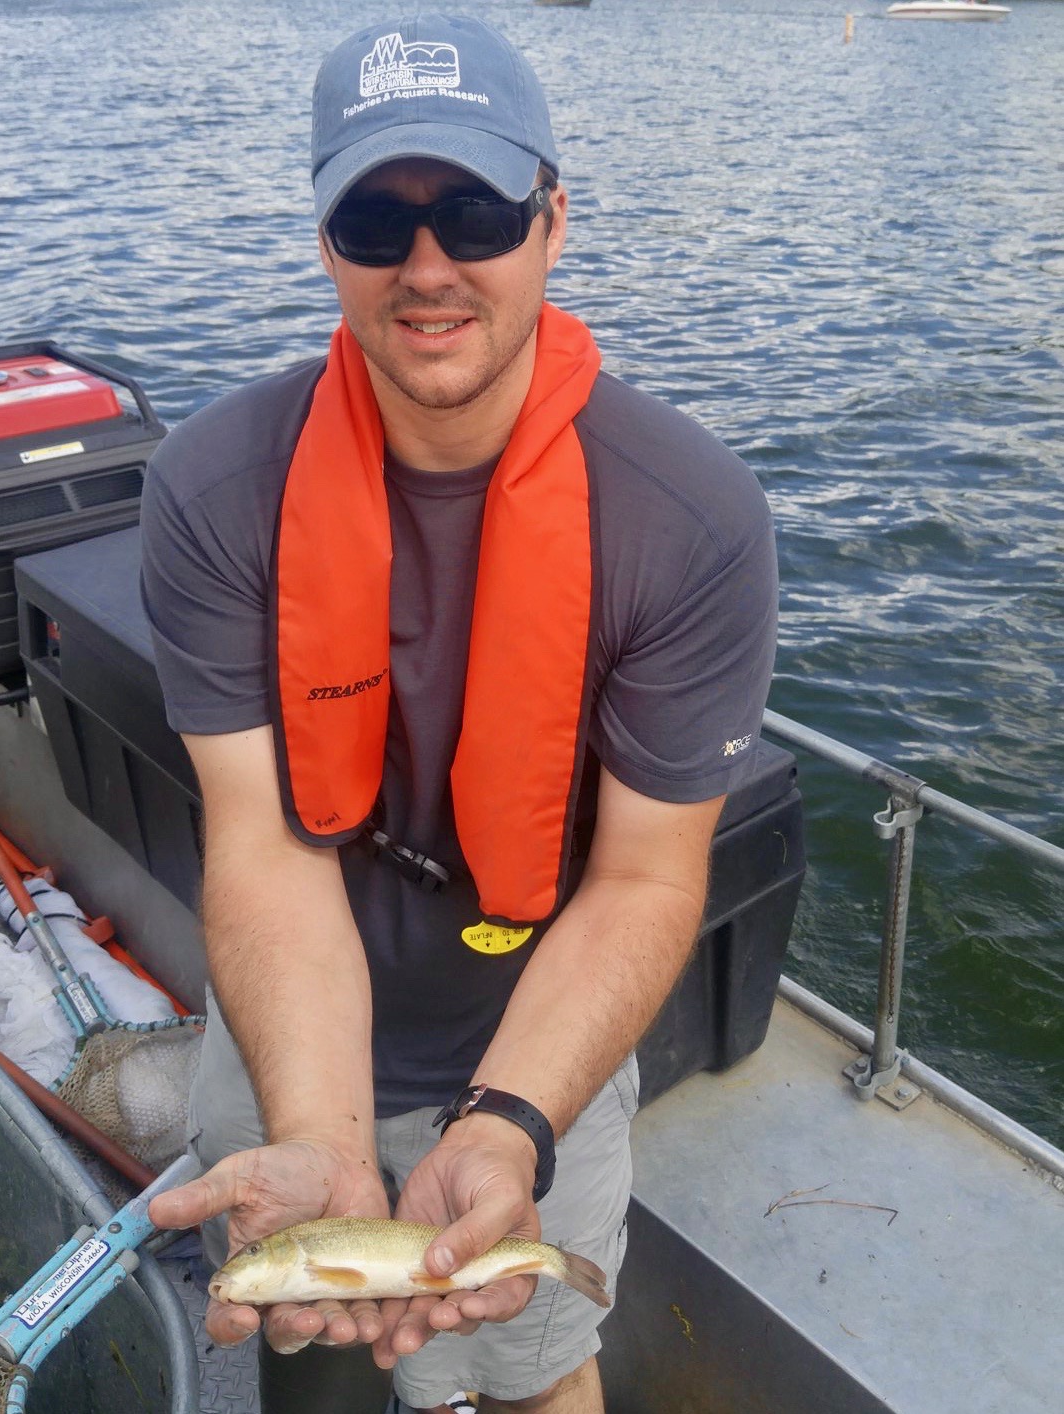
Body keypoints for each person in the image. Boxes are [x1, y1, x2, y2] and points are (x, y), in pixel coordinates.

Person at [141, 13, 778, 1413]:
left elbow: (642, 873)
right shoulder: (209, 487)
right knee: (307, 1376)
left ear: (552, 222)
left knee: (540, 1365)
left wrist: (507, 1124)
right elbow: (262, 844)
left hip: (535, 1044)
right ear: (326, 246)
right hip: (289, 1036)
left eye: (475, 212)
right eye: (376, 219)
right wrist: (316, 1129)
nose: (427, 267)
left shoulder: (691, 522)